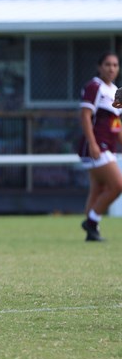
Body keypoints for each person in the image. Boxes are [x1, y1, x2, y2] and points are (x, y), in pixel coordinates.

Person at [76, 52, 122, 242]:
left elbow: (116, 124)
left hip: (108, 146)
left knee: (98, 188)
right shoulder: (95, 86)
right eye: (107, 64)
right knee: (117, 185)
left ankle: (91, 231)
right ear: (99, 67)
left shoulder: (116, 90)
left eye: (115, 65)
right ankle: (91, 222)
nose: (111, 68)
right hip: (96, 146)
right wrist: (93, 143)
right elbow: (85, 116)